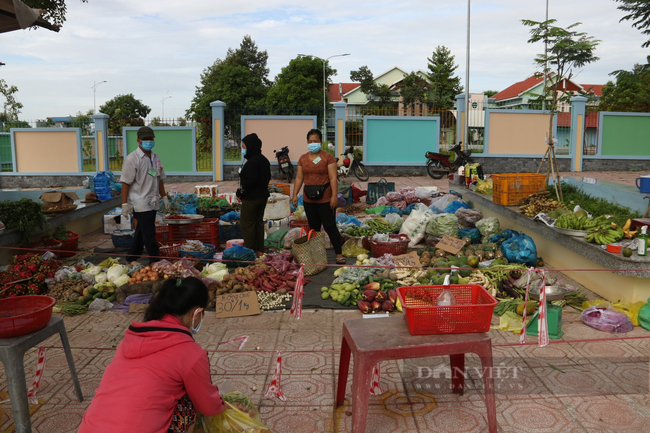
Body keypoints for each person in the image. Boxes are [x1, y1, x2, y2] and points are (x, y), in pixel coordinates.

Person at [78, 277, 225, 433]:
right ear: (197, 313)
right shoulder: (190, 353)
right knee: (189, 400)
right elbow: (208, 407)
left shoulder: (131, 339)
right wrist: (223, 404)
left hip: (90, 428)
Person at [292, 128, 345, 264]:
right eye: (310, 141)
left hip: (325, 198)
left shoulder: (328, 158)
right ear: (307, 143)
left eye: (315, 141)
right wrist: (294, 194)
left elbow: (333, 178)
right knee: (314, 228)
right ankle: (317, 254)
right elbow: (299, 178)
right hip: (308, 199)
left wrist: (334, 196)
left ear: (320, 142)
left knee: (329, 226)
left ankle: (338, 253)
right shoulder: (303, 159)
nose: (313, 143)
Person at [121, 126, 170, 264]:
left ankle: (131, 257)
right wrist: (124, 204)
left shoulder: (155, 157)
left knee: (142, 231)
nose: (149, 141)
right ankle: (155, 261)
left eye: (151, 139)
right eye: (146, 139)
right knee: (149, 233)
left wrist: (164, 196)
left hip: (153, 201)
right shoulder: (132, 159)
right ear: (138, 141)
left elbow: (158, 177)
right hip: (140, 202)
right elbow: (125, 183)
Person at [238, 133, 271, 256]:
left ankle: (250, 251)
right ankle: (259, 249)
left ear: (251, 147)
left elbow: (250, 181)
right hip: (262, 196)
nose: (243, 149)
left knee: (247, 224)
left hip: (251, 198)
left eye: (244, 146)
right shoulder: (264, 160)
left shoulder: (252, 162)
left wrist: (241, 192)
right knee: (258, 222)